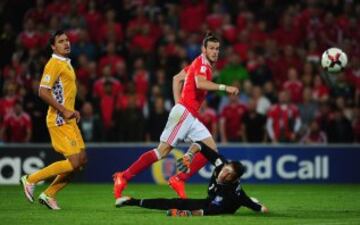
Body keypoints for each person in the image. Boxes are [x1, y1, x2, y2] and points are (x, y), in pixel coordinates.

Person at [113, 32, 239, 199]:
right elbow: (200, 83)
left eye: (217, 48)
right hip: (185, 113)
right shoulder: (203, 65)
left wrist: (177, 103)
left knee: (211, 150)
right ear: (204, 49)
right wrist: (225, 88)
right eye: (211, 48)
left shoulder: (197, 63)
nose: (215, 52)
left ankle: (179, 179)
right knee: (162, 151)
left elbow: (176, 78)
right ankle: (124, 177)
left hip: (188, 115)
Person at [20, 30, 87, 210]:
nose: (66, 43)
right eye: (61, 41)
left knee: (81, 161)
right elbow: (43, 91)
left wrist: (72, 110)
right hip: (58, 120)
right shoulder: (54, 64)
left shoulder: (66, 63)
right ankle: (31, 179)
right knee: (73, 162)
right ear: (53, 46)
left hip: (68, 118)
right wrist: (64, 110)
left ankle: (49, 195)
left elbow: (63, 93)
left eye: (67, 40)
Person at [115, 141, 268, 216]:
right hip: (212, 200)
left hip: (222, 206)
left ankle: (253, 203)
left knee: (247, 202)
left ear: (234, 179)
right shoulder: (221, 163)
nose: (224, 173)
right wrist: (189, 154)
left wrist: (187, 214)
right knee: (175, 202)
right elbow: (200, 145)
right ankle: (132, 201)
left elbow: (209, 211)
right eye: (226, 169)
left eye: (229, 174)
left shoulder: (231, 193)